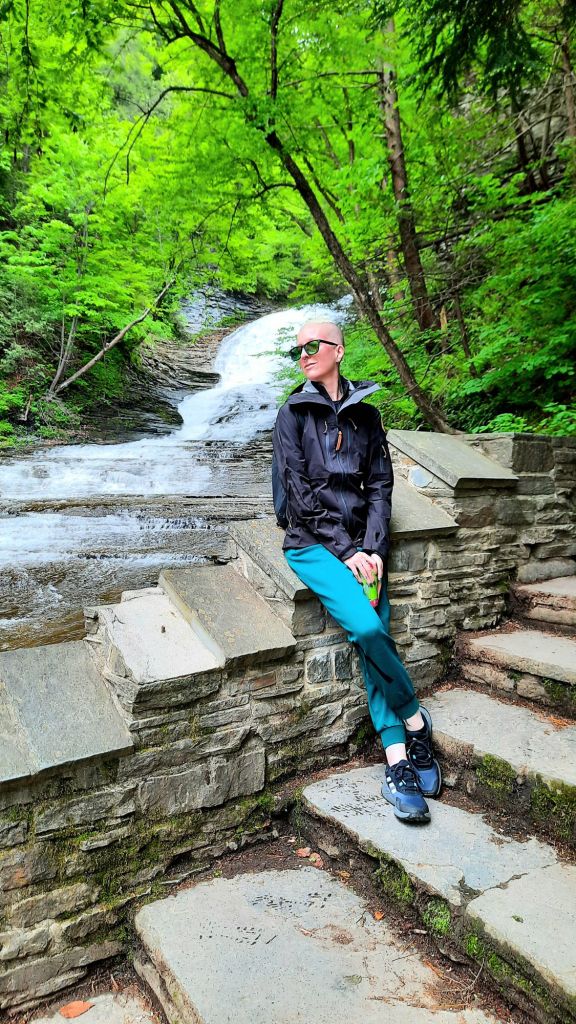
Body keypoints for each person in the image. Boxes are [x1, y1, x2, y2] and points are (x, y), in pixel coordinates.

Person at [272, 320, 441, 823]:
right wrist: (347, 551)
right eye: (297, 349)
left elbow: (381, 488)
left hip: (362, 549)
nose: (303, 354)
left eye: (312, 346)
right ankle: (414, 720)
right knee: (368, 627)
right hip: (311, 546)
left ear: (338, 350)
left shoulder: (368, 415)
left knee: (374, 637)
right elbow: (299, 494)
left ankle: (396, 763)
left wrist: (374, 548)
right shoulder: (292, 413)